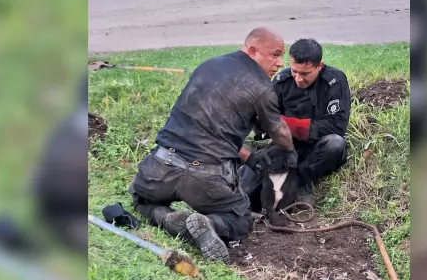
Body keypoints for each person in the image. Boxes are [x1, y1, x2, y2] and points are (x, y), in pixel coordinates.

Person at [128, 27, 298, 264]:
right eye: (275, 55)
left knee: (140, 197)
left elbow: (209, 129)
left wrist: (248, 157)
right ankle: (208, 223)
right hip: (205, 178)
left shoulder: (208, 66)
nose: (280, 63)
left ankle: (168, 219)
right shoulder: (262, 88)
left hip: (162, 165)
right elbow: (279, 130)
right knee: (240, 220)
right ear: (252, 50)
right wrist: (290, 150)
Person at [240, 38, 351, 208]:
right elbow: (265, 124)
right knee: (248, 188)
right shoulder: (282, 81)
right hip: (287, 145)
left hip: (319, 144)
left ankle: (297, 183)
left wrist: (284, 124)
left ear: (319, 66)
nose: (298, 79)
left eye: (305, 74)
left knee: (336, 145)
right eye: (294, 71)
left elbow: (337, 126)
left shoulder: (334, 81)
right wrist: (258, 119)